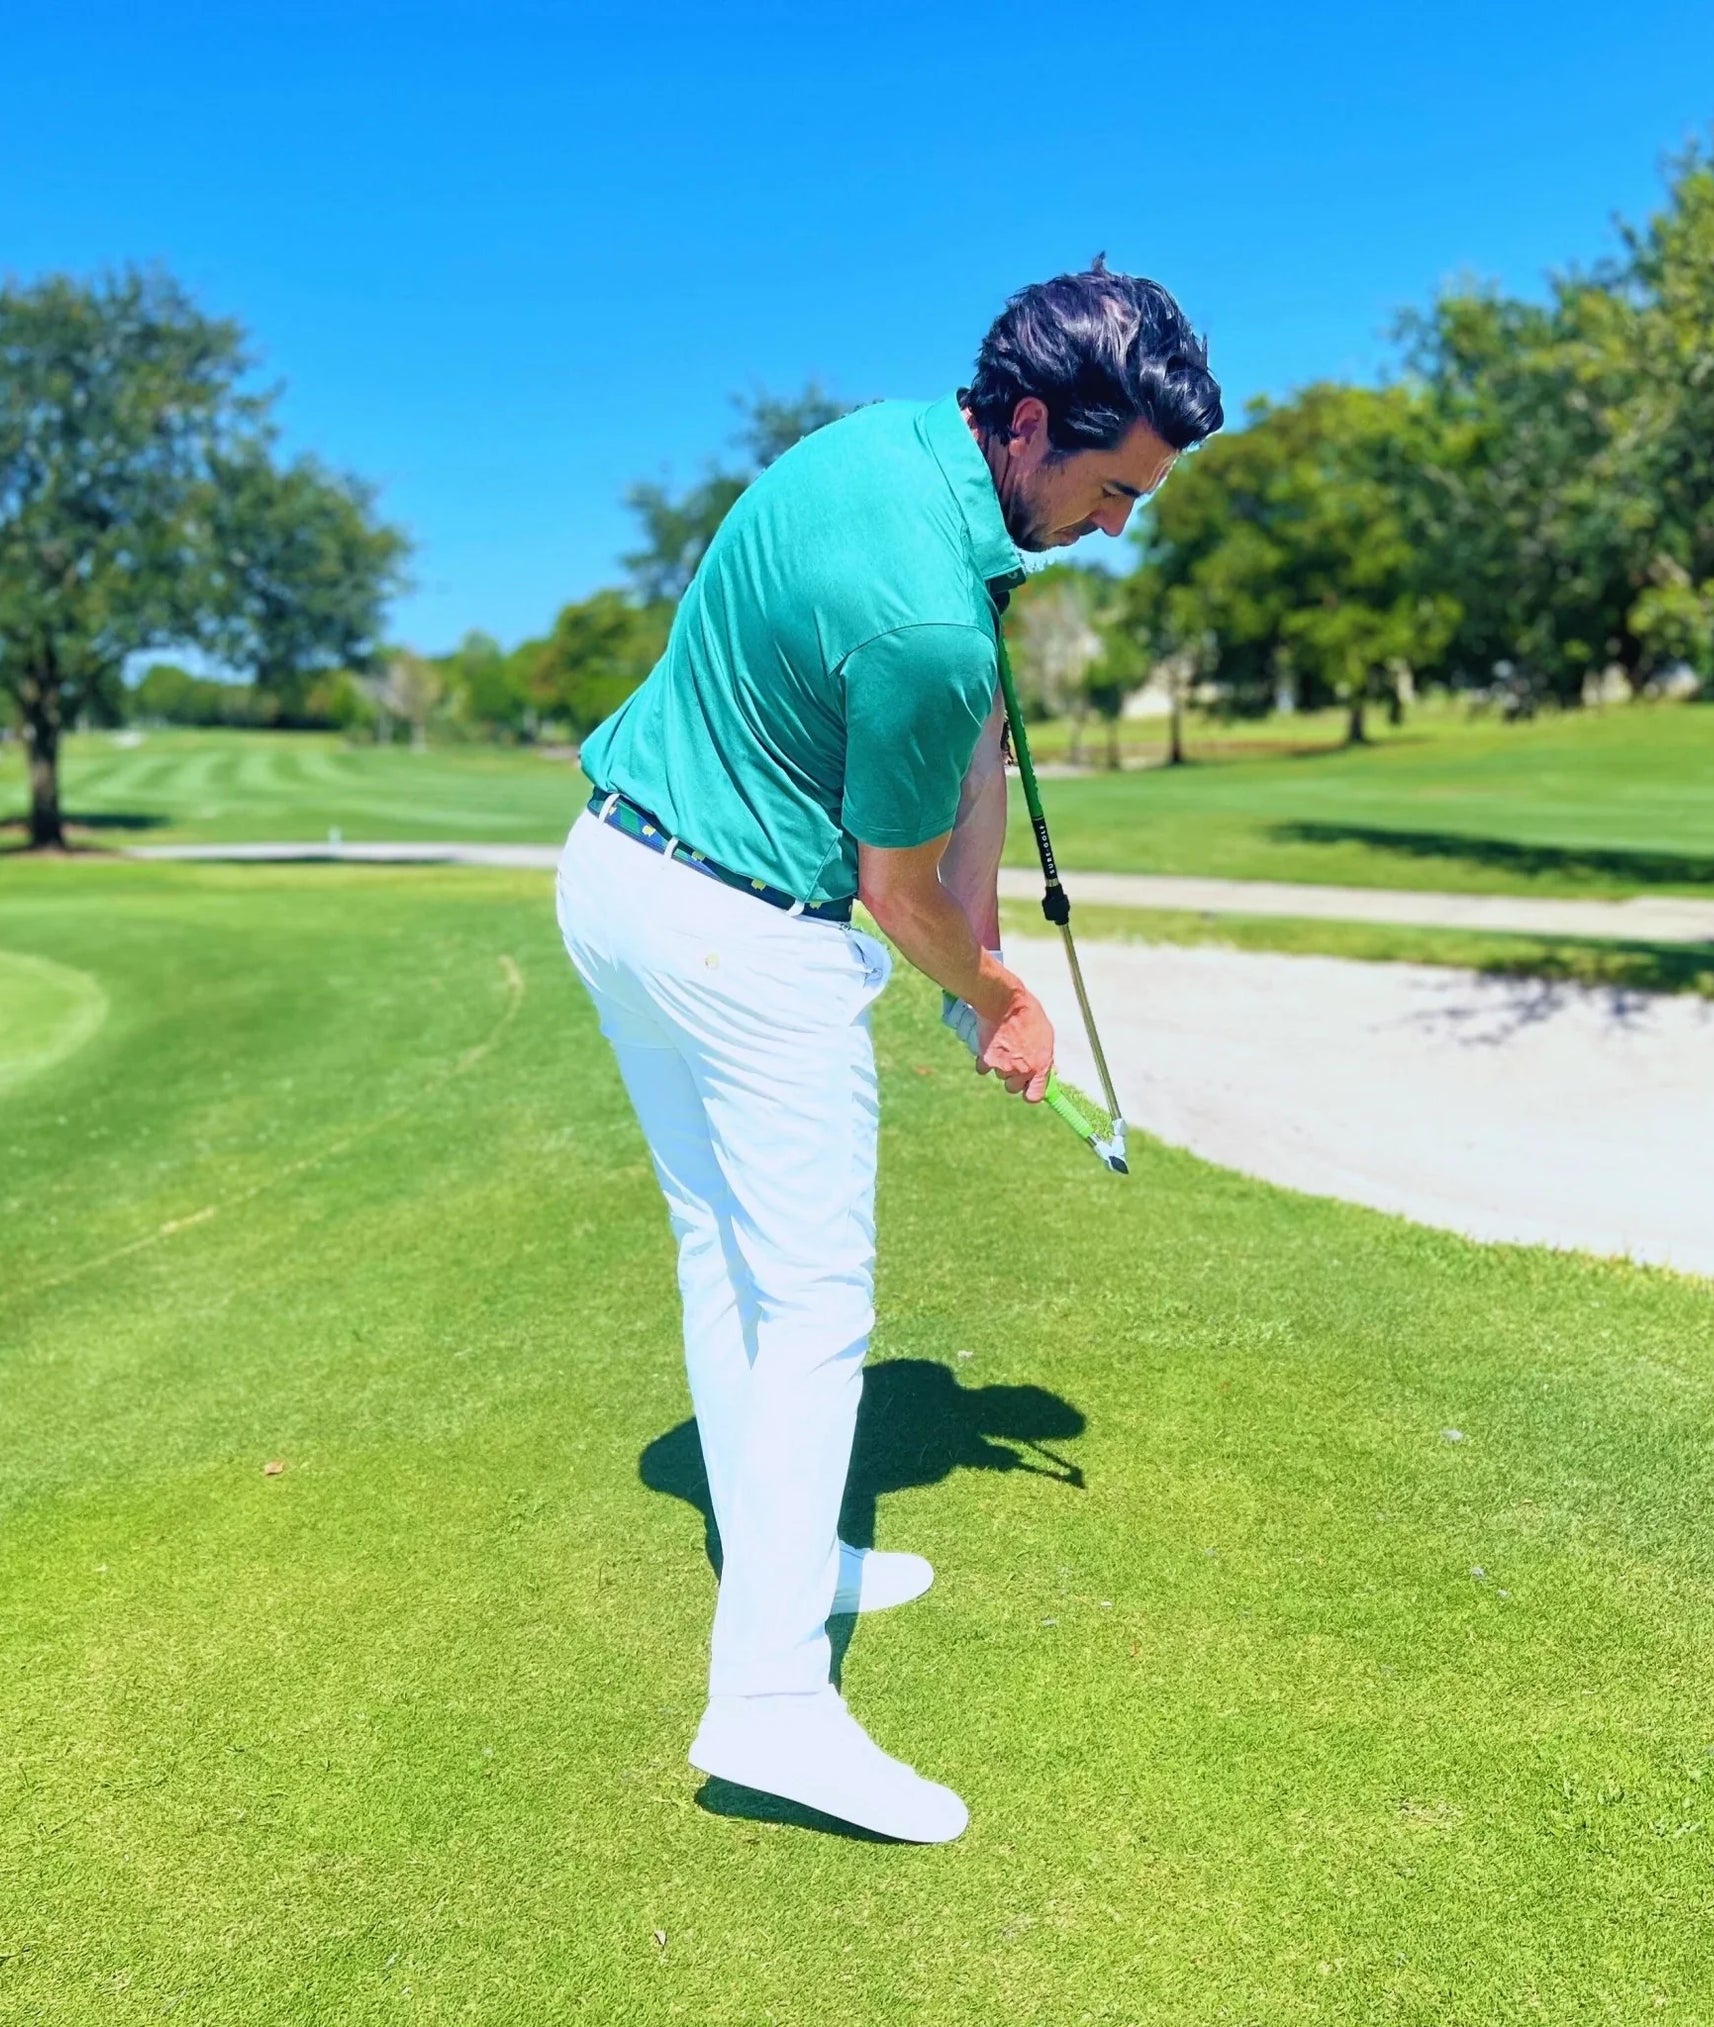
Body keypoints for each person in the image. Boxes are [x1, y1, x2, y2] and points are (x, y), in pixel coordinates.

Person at [555, 259, 1224, 1842]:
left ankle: (788, 1545)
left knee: (725, 1257)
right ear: (1036, 426)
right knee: (815, 1308)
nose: (1120, 527)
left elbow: (969, 740)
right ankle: (771, 1706)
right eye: (1115, 488)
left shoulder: (887, 448)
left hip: (614, 878)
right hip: (740, 938)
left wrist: (967, 951)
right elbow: (896, 889)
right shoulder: (929, 612)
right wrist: (994, 996)